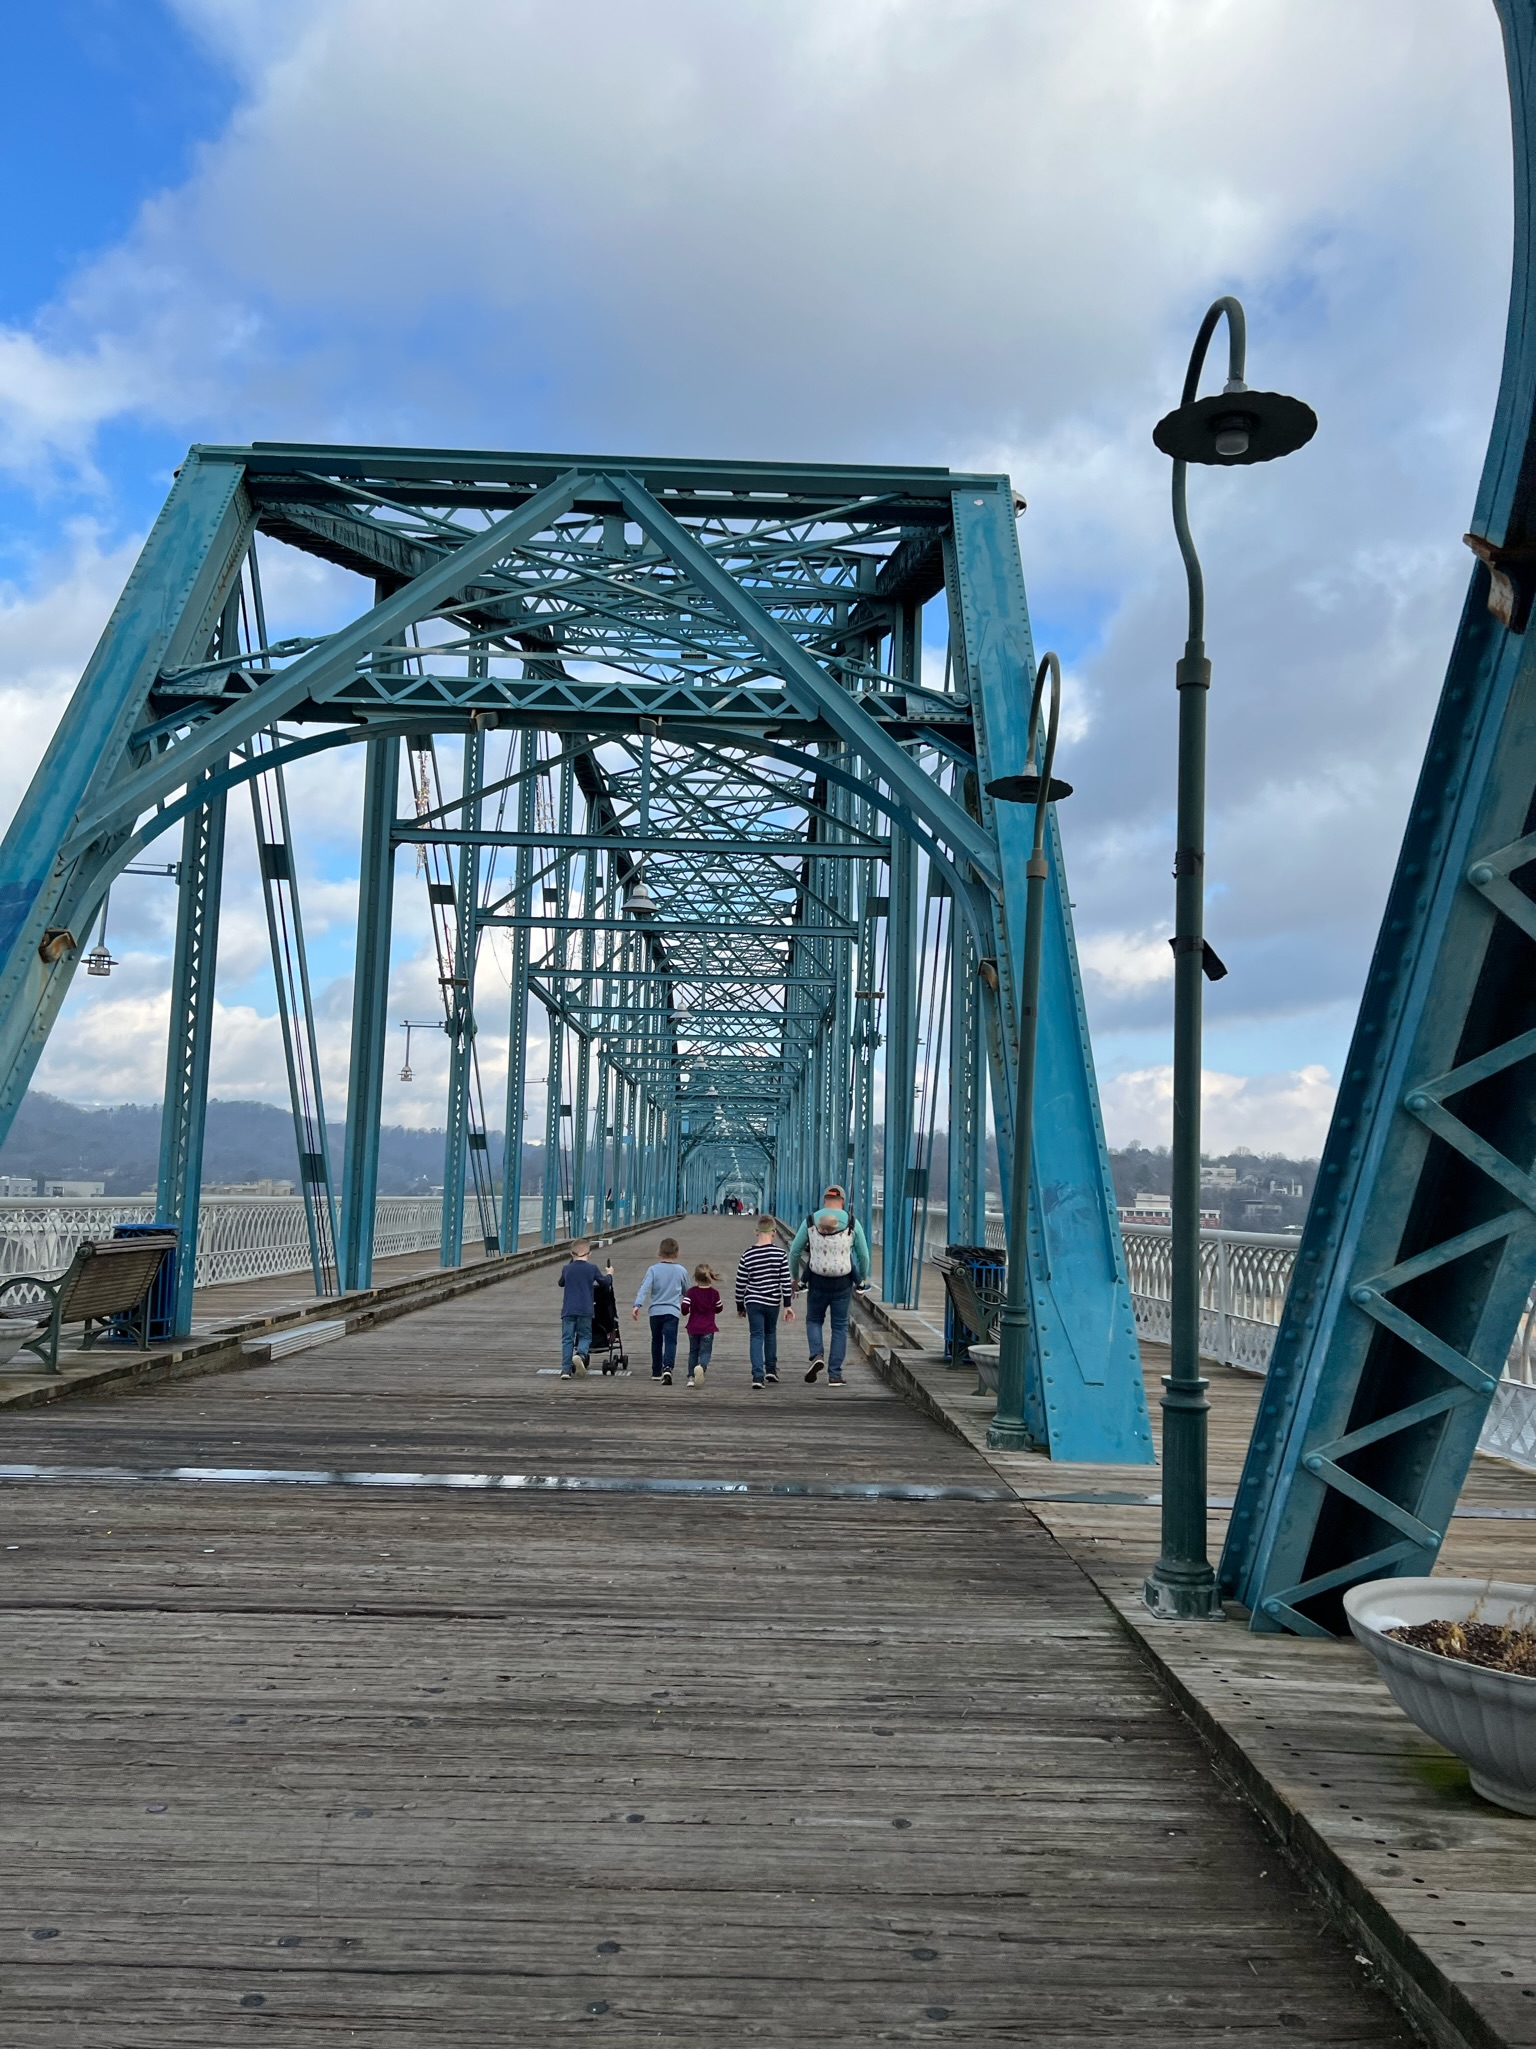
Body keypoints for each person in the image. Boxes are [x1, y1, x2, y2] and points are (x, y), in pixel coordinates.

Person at [787, 1184, 871, 1386]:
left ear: (824, 1200)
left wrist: (795, 1277)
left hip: (817, 1280)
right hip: (843, 1282)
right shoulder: (852, 1222)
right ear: (842, 1201)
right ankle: (835, 1375)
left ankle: (817, 1354)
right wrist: (863, 1279)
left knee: (814, 1320)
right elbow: (864, 1255)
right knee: (840, 1327)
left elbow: (795, 1251)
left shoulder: (810, 1220)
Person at [734, 1218, 795, 1390]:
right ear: (774, 1233)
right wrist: (787, 1305)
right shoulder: (780, 1255)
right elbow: (785, 1281)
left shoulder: (747, 1254)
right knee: (770, 1333)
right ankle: (771, 1370)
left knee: (756, 1336)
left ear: (756, 1232)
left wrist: (740, 1305)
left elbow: (740, 1283)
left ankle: (757, 1376)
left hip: (753, 1301)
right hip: (772, 1301)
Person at [632, 1235, 689, 1383]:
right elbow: (687, 1291)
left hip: (655, 1311)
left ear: (659, 1252)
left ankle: (656, 1371)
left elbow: (644, 1288)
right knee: (671, 1341)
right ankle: (668, 1367)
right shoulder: (681, 1270)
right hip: (673, 1311)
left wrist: (637, 1304)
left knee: (656, 1340)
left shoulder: (653, 1270)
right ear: (677, 1253)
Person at [555, 1238, 608, 1379]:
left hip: (568, 1310)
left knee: (567, 1339)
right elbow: (604, 1283)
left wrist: (571, 1262)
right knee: (585, 1336)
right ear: (589, 1253)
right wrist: (610, 1274)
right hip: (585, 1309)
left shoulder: (567, 1269)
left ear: (571, 1254)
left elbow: (561, 1283)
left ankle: (566, 1370)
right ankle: (580, 1354)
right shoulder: (592, 1268)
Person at [680, 1263, 723, 1388]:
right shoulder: (714, 1293)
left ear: (696, 1278)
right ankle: (701, 1367)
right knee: (705, 1352)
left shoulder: (691, 1292)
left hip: (693, 1327)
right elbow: (719, 1308)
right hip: (708, 1328)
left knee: (693, 1351)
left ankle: (691, 1377)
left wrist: (686, 1311)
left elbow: (684, 1308)